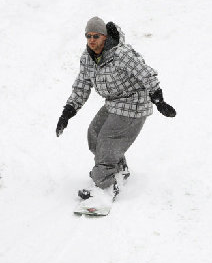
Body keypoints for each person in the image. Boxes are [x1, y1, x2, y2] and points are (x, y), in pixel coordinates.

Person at [56, 16, 176, 199]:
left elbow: (147, 74)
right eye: (88, 36)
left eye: (96, 36)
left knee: (107, 139)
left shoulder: (121, 53)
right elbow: (81, 86)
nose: (92, 40)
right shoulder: (87, 58)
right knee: (94, 132)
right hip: (114, 102)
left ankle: (104, 187)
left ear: (105, 36)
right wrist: (67, 113)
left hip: (135, 102)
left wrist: (159, 101)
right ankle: (118, 170)